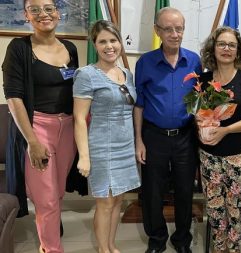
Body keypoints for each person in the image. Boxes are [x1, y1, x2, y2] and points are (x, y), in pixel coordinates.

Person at [1, 0, 87, 252]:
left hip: (68, 129)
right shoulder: (19, 48)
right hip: (37, 128)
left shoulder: (71, 48)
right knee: (46, 198)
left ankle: (47, 241)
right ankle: (52, 248)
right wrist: (32, 141)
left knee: (58, 192)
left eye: (49, 8)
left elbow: (77, 89)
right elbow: (14, 97)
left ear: (58, 13)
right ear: (26, 15)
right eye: (35, 9)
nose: (43, 14)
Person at [133, 7, 201, 253]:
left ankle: (182, 239)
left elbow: (199, 98)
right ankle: (157, 239)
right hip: (154, 137)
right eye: (168, 29)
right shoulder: (145, 62)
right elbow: (139, 104)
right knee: (152, 191)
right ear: (157, 31)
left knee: (185, 190)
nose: (175, 34)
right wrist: (138, 140)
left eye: (179, 28)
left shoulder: (194, 60)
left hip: (185, 137)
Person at [73, 20, 141, 253]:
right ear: (95, 45)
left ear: (120, 43)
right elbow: (79, 118)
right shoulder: (86, 75)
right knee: (105, 202)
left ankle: (111, 246)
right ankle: (102, 249)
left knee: (118, 201)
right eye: (103, 41)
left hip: (125, 145)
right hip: (102, 146)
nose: (109, 46)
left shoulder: (126, 74)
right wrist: (84, 156)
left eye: (113, 40)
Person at [198, 26, 241, 253]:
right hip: (209, 156)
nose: (226, 49)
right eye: (222, 44)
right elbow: (197, 113)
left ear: (238, 50)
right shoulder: (203, 80)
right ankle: (218, 248)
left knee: (234, 209)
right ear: (213, 48)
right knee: (215, 210)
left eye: (231, 45)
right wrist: (201, 125)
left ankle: (233, 249)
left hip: (238, 155)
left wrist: (226, 130)